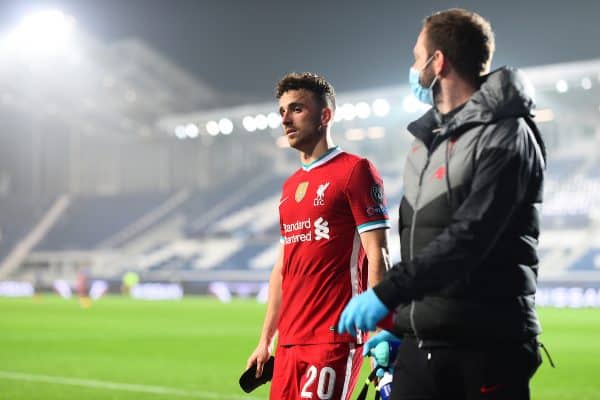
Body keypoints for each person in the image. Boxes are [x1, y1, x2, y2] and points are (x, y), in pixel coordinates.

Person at [338, 8, 546, 400]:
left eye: (417, 56)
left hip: (486, 347)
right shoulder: (425, 141)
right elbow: (424, 247)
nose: (412, 66)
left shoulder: (507, 133)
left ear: (438, 62)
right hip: (423, 347)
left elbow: (470, 237)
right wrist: (399, 327)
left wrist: (386, 294)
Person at [246, 72, 392, 400]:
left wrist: (381, 333)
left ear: (325, 116)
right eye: (282, 111)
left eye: (296, 109)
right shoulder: (288, 188)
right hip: (288, 345)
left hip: (334, 340)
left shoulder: (356, 171)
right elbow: (283, 269)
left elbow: (378, 255)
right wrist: (265, 340)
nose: (285, 119)